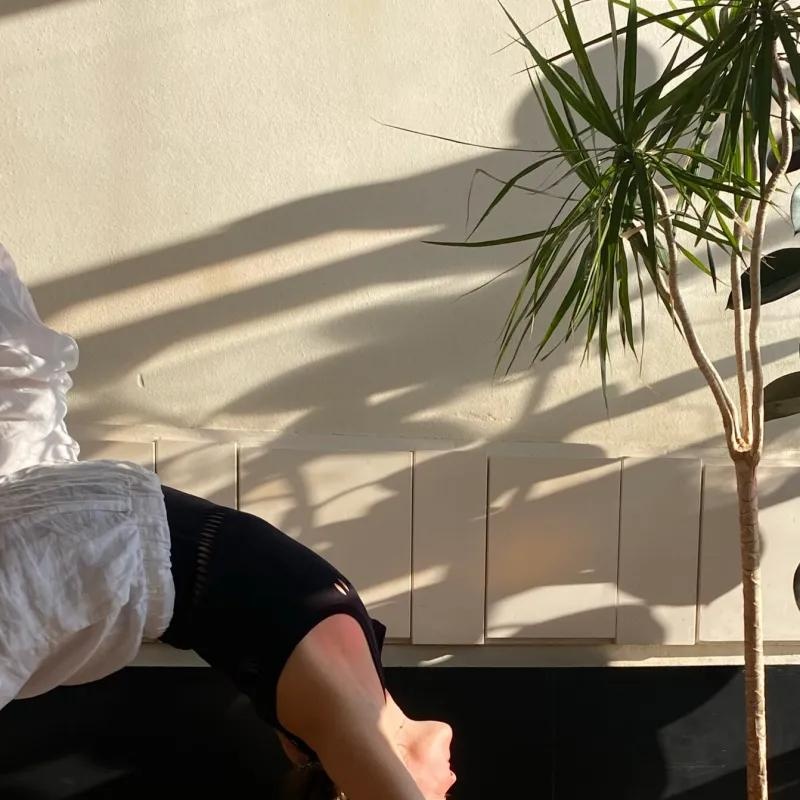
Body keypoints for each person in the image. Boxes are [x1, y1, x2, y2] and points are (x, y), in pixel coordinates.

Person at [0, 243, 456, 800]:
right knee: (19, 380)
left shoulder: (344, 715)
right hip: (90, 514)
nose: (451, 787)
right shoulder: (357, 692)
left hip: (99, 548)